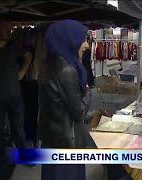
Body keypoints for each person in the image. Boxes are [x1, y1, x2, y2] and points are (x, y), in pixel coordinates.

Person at [39, 20, 95, 180]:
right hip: (66, 144)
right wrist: (88, 91)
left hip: (51, 140)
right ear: (69, 40)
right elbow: (79, 113)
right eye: (83, 39)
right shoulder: (66, 70)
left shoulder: (47, 64)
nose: (86, 45)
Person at [0, 19, 29, 180]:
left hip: (15, 97)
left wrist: (23, 71)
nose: (9, 32)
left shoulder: (13, 46)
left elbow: (28, 55)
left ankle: (24, 156)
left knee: (18, 130)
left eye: (11, 29)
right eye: (6, 29)